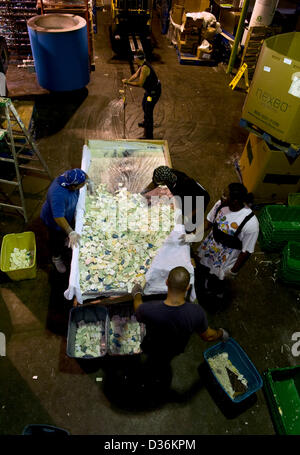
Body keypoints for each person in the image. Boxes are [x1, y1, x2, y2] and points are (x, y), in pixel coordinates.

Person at [132, 267, 229, 380]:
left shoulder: (150, 308)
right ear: (188, 287)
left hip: (152, 343)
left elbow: (137, 306)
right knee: (165, 358)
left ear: (167, 283)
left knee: (154, 356)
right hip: (175, 347)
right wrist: (220, 333)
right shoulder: (196, 313)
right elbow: (208, 336)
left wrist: (137, 292)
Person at [195, 182, 259, 302]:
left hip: (226, 257)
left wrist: (233, 271)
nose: (221, 196)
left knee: (219, 279)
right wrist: (194, 234)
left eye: (225, 195)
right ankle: (206, 283)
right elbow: (209, 221)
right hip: (211, 245)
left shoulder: (250, 223)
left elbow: (246, 251)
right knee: (205, 268)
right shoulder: (220, 205)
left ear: (234, 201)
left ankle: (216, 294)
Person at [40, 168, 94, 273]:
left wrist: (89, 182)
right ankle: (56, 258)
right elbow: (58, 217)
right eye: (82, 185)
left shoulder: (71, 176)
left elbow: (83, 175)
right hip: (54, 222)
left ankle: (65, 239)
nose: (83, 185)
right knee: (56, 240)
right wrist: (70, 231)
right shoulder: (58, 194)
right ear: (74, 186)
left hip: (66, 213)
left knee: (64, 233)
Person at [141, 165, 210, 236]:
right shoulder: (168, 173)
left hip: (200, 200)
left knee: (189, 224)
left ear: (166, 182)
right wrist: (142, 195)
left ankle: (188, 238)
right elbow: (154, 183)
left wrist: (188, 216)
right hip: (185, 197)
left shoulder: (184, 186)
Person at [122, 51, 161, 140]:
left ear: (137, 58)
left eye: (134, 58)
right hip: (149, 91)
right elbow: (136, 75)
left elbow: (140, 83)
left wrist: (128, 82)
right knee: (144, 104)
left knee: (148, 111)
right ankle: (145, 123)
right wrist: (128, 80)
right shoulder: (142, 64)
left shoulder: (145, 68)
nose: (133, 59)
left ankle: (148, 136)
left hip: (153, 92)